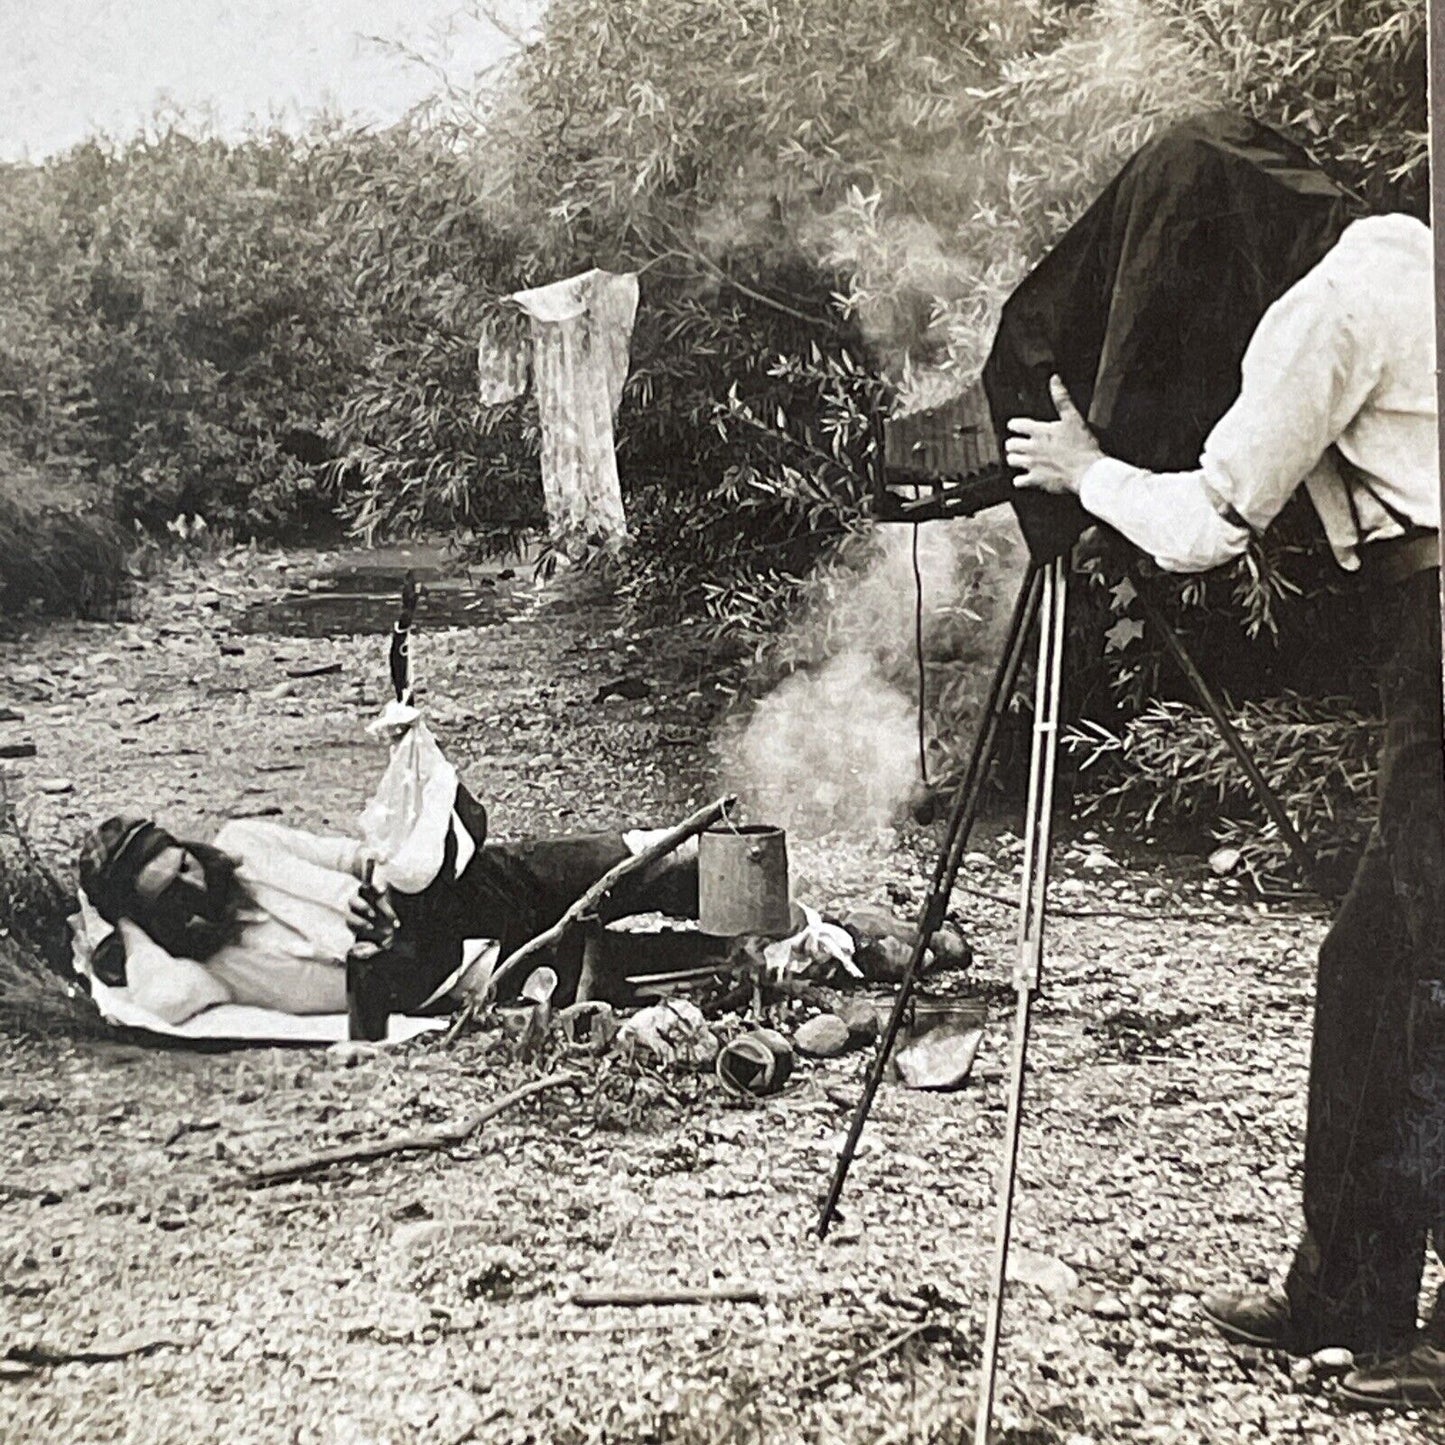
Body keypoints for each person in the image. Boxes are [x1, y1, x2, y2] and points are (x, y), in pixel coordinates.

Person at [1006, 211, 1444, 1408]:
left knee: (1410, 973)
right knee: (1379, 962)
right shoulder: (1410, 245)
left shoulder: (1329, 305)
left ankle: (1399, 1321)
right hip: (1425, 615)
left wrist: (1081, 469)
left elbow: (1207, 523)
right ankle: (1345, 1291)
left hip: (1435, 617)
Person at [76, 799, 709, 1029]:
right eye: (172, 894)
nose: (194, 880)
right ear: (150, 920)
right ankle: (741, 953)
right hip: (424, 978)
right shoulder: (205, 966)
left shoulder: (245, 843)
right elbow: (165, 998)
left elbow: (354, 855)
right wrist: (127, 928)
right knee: (607, 965)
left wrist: (373, 882)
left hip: (432, 905)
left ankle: (703, 875)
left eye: (184, 861)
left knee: (553, 873)